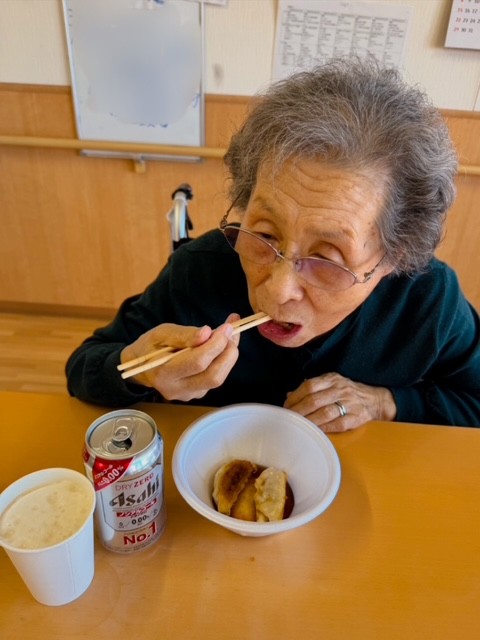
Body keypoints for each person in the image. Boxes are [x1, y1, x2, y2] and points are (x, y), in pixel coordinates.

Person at [66, 57, 480, 431]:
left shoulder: (428, 301)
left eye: (326, 257)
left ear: (393, 259)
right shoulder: (201, 270)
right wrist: (141, 373)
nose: (278, 290)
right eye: (264, 235)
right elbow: (84, 367)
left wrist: (385, 402)